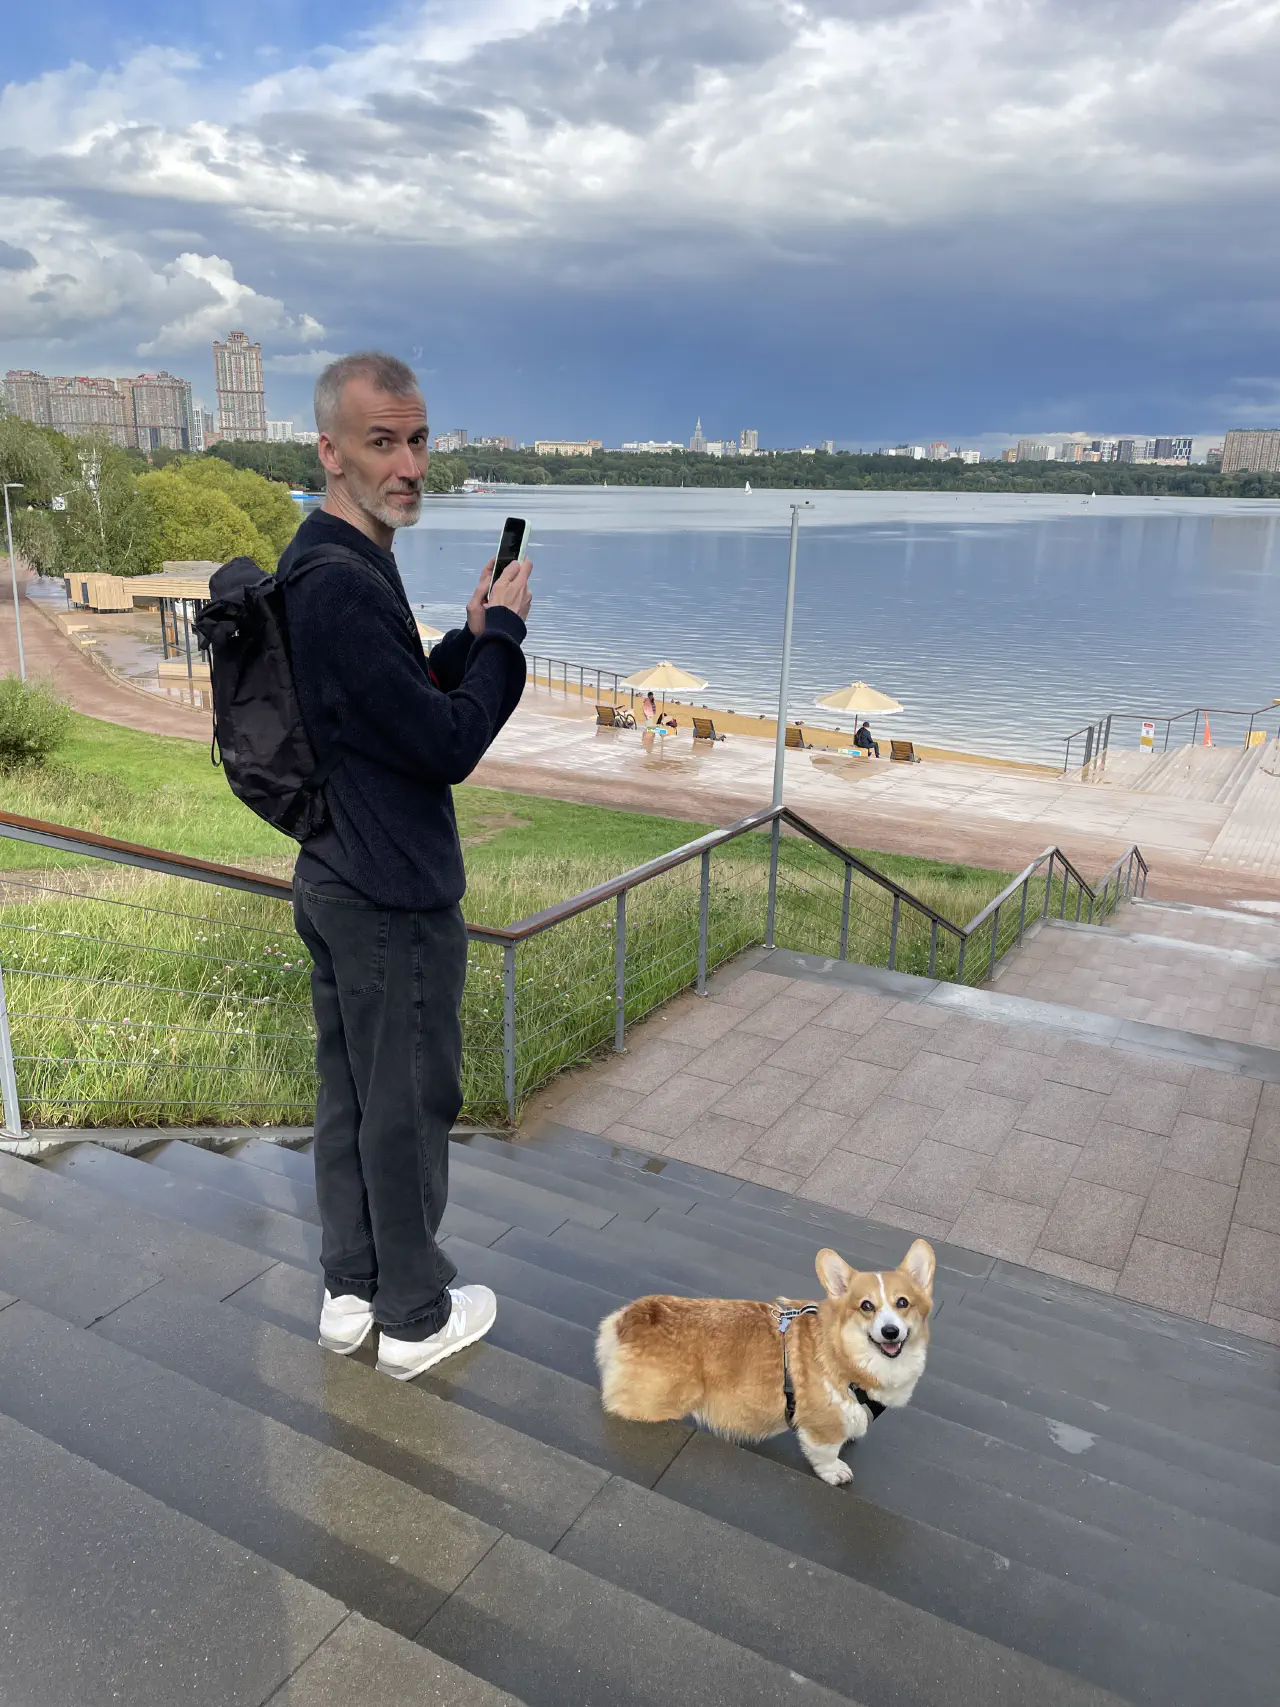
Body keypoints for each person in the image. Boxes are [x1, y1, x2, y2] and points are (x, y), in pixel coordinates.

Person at [280, 351, 531, 1382]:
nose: (409, 464)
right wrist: (510, 638)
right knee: (407, 1106)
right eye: (382, 442)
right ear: (330, 450)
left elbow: (395, 702)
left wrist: (466, 642)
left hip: (338, 869)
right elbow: (444, 747)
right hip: (389, 892)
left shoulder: (332, 559)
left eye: (418, 440)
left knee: (349, 1094)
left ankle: (351, 1291)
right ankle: (416, 1316)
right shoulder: (341, 581)